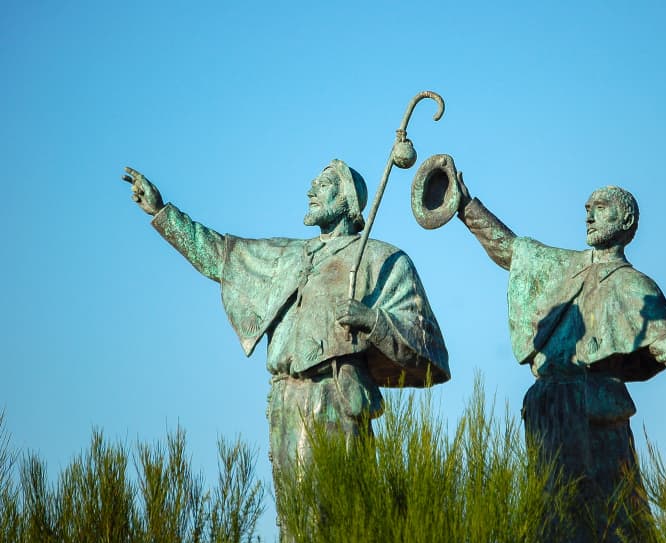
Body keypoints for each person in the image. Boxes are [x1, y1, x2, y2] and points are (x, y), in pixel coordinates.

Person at [121, 160, 450, 480]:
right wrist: (162, 213)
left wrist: (372, 319)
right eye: (314, 185)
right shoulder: (286, 255)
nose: (311, 191)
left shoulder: (381, 258)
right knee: (293, 512)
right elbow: (221, 256)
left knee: (335, 505)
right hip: (285, 400)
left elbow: (425, 337)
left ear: (348, 199)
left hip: (336, 392)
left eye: (323, 185)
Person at [454, 178, 666, 543]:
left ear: (626, 220)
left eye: (600, 208)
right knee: (552, 510)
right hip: (549, 404)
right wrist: (466, 207)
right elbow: (511, 249)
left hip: (596, 404)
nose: (589, 216)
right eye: (587, 209)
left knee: (612, 513)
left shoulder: (635, 285)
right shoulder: (564, 266)